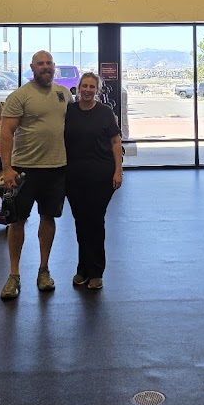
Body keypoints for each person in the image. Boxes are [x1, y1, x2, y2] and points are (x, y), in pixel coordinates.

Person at [0, 50, 72, 300]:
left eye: (49, 63)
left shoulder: (64, 94)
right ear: (32, 67)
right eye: (40, 63)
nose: (45, 67)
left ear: (54, 66)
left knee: (48, 218)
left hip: (56, 168)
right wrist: (7, 169)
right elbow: (6, 133)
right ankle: (14, 274)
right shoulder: (20, 96)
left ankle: (44, 270)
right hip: (24, 170)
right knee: (17, 221)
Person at [64, 72, 123, 290]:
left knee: (95, 222)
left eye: (92, 87)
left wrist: (118, 171)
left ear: (97, 90)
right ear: (78, 88)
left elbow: (116, 142)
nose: (88, 90)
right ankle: (83, 269)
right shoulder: (69, 111)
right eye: (85, 86)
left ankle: (96, 271)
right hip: (74, 176)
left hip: (101, 175)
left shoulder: (105, 112)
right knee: (81, 223)